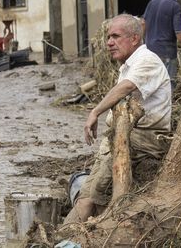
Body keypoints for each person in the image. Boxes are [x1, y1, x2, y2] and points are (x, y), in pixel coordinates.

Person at [64, 14, 172, 224]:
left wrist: (95, 112)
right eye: (108, 37)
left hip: (142, 139)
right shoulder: (129, 65)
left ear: (134, 38)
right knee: (91, 194)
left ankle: (60, 239)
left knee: (89, 197)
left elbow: (127, 87)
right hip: (121, 137)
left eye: (115, 36)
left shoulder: (147, 60)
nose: (109, 43)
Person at [143, 0, 181, 88]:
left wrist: (143, 44)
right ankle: (166, 102)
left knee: (152, 83)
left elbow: (143, 24)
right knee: (168, 84)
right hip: (166, 51)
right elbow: (179, 31)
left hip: (149, 50)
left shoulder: (152, 2)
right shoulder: (174, 5)